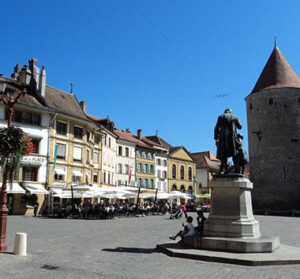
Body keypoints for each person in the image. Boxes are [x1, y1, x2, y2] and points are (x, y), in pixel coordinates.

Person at [214, 108, 242, 174]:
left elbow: (216, 128)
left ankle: (225, 169)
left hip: (223, 138)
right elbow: (240, 127)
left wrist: (215, 137)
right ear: (230, 112)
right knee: (234, 153)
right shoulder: (235, 117)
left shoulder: (221, 117)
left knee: (223, 154)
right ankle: (237, 169)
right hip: (232, 138)